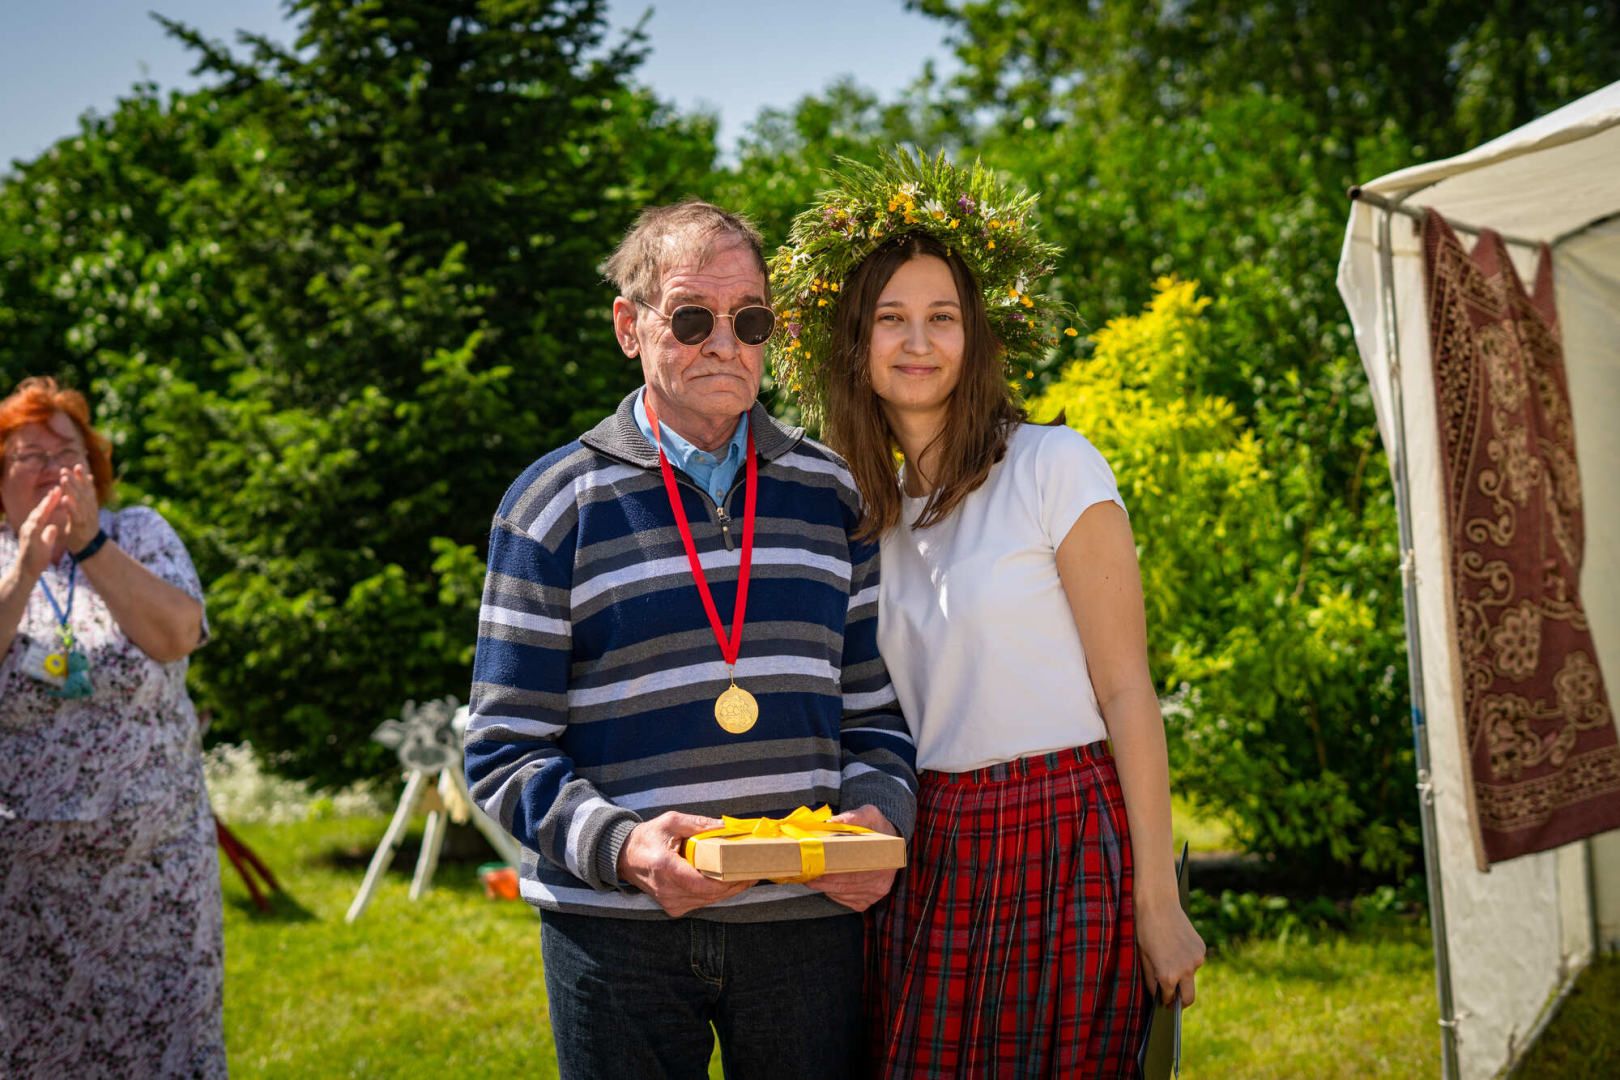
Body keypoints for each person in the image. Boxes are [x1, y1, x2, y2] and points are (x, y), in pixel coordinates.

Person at [770, 151, 1207, 1077]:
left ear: (977, 338)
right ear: (855, 345)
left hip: (1064, 831)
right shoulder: (867, 514)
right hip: (931, 843)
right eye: (891, 318)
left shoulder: (1055, 467)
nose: (917, 341)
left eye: (942, 317)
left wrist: (1159, 901)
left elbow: (1128, 691)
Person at [462, 200, 918, 1080]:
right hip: (615, 932)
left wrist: (879, 818)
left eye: (750, 320)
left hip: (804, 926)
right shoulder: (550, 505)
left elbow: (876, 717)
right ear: (629, 327)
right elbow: (502, 747)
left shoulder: (835, 496)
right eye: (693, 317)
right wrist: (623, 849)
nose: (724, 344)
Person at [0, 377, 223, 1079]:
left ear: (94, 469)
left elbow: (179, 634)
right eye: (29, 455)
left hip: (156, 871)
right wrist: (26, 568)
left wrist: (90, 543)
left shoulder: (141, 533)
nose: (50, 468)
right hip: (24, 884)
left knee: (163, 1050)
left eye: (66, 453)